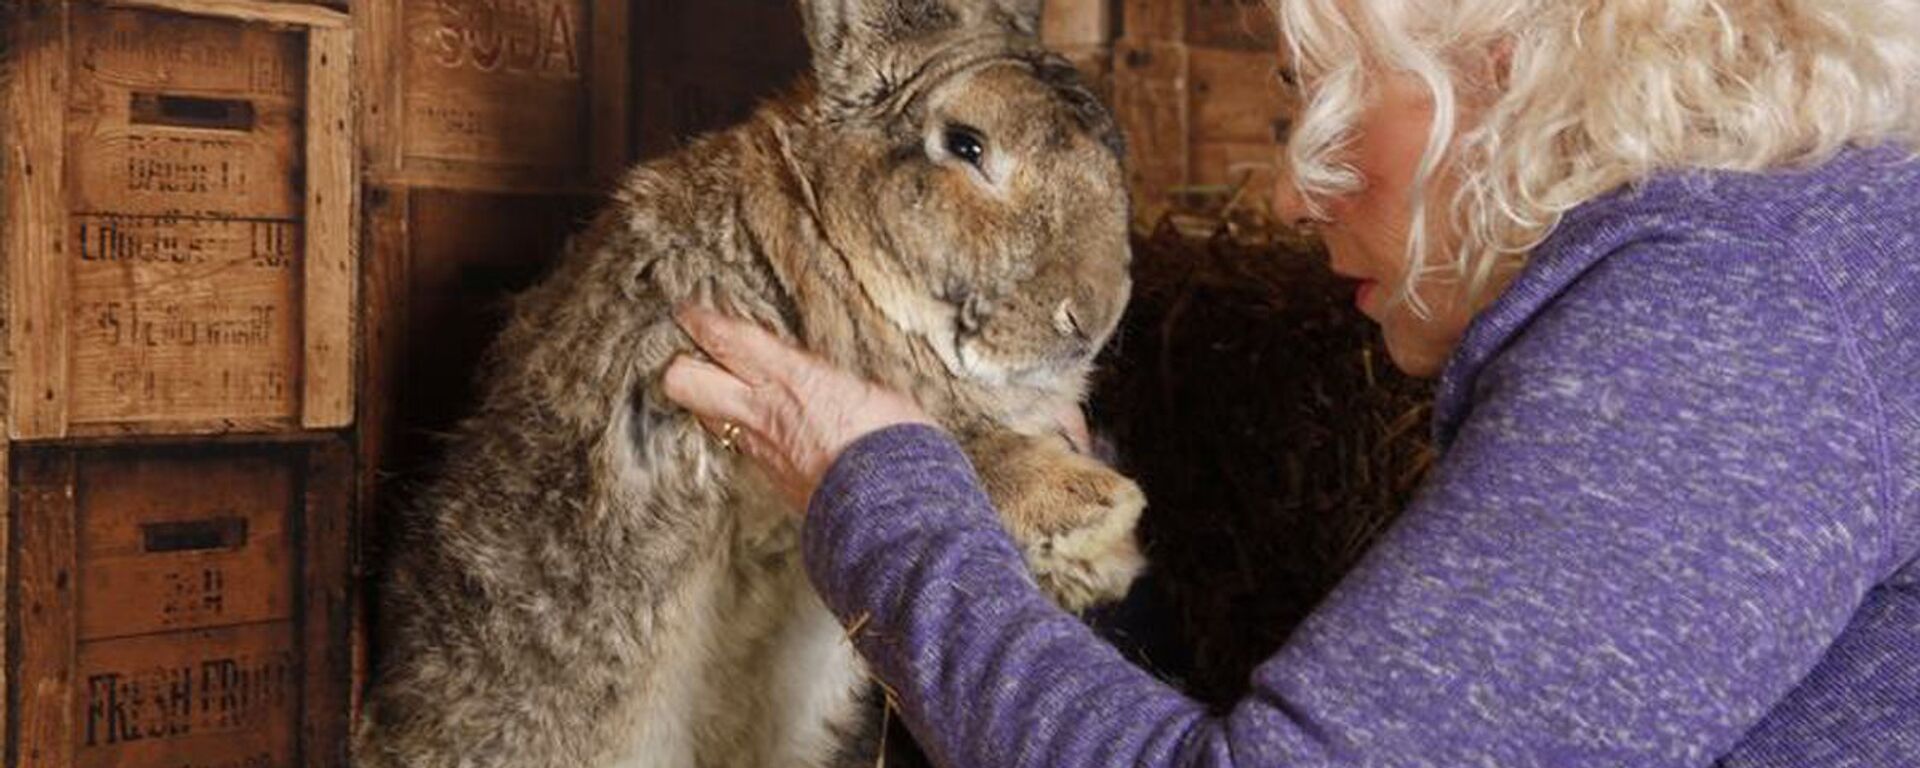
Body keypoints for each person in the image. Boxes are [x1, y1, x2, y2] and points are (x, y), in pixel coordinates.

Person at [662, 0, 1920, 765]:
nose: (1285, 194)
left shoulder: (1727, 320)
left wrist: (877, 497)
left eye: (1324, 94)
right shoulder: (1814, 256)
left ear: (1507, 66)